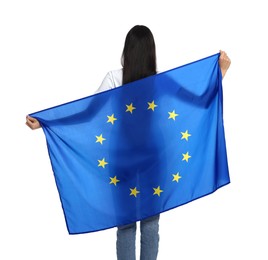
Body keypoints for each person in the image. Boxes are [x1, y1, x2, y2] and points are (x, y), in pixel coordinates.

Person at [26, 25, 231, 260]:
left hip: (121, 159)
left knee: (125, 225)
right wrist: (220, 73)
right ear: (151, 52)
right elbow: (198, 101)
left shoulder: (115, 78)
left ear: (127, 51)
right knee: (151, 224)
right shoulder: (160, 81)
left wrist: (45, 123)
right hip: (154, 159)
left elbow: (87, 113)